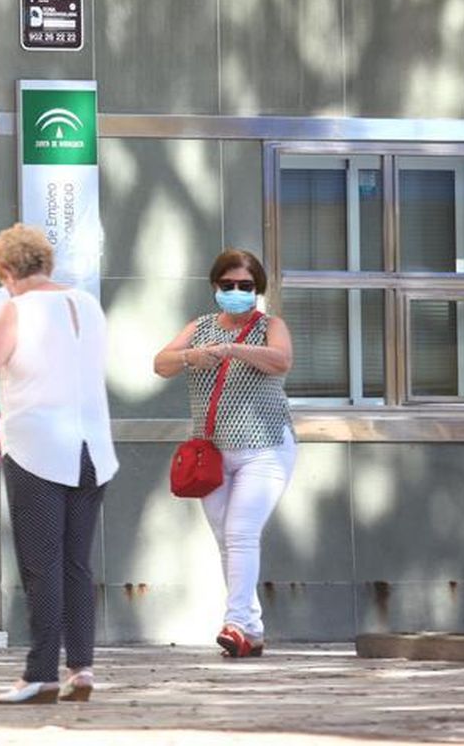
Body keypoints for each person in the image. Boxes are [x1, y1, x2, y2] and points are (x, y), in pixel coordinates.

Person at [0, 224, 116, 705]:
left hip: (37, 451)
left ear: (5, 271)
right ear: (44, 263)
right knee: (75, 564)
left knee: (41, 565)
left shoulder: (17, 309)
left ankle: (40, 673)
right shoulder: (88, 305)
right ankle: (81, 668)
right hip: (94, 450)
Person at [152, 249, 296, 659]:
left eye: (245, 287)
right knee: (227, 540)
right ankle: (249, 628)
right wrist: (189, 356)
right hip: (212, 454)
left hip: (264, 448)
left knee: (241, 533)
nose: (236, 292)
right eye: (227, 286)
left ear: (258, 290)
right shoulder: (199, 327)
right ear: (215, 287)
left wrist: (234, 349)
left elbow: (282, 361)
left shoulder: (269, 326)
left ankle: (234, 623)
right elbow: (160, 364)